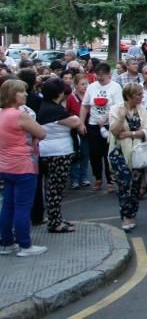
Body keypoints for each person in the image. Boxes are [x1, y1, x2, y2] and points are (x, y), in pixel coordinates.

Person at [0, 79, 48, 256]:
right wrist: (34, 138)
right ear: (13, 95)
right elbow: (42, 132)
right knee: (22, 207)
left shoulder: (2, 113)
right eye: (22, 91)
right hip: (23, 164)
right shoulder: (20, 115)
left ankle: (6, 243)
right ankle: (25, 245)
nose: (26, 94)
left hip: (5, 165)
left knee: (8, 205)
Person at [37, 77, 84, 233]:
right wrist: (76, 119)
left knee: (51, 187)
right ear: (58, 93)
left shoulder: (44, 106)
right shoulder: (55, 110)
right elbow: (75, 121)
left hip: (46, 151)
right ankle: (55, 222)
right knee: (56, 189)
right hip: (58, 153)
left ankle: (55, 217)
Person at [108, 83, 147, 231]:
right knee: (124, 183)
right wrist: (121, 117)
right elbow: (114, 131)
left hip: (137, 152)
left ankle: (132, 213)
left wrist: (129, 134)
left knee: (136, 184)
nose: (141, 97)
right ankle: (125, 216)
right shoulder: (115, 109)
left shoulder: (142, 110)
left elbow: (146, 130)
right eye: (138, 94)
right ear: (129, 96)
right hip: (119, 152)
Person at [80, 62, 124, 192]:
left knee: (108, 153)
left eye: (102, 76)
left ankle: (110, 180)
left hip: (109, 124)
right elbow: (85, 105)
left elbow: (119, 107)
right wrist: (81, 122)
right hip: (93, 123)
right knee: (94, 153)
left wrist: (107, 118)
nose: (99, 78)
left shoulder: (115, 87)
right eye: (97, 75)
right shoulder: (92, 87)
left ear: (109, 75)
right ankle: (97, 177)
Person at [67, 72, 92, 188]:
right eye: (82, 84)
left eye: (86, 84)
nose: (85, 86)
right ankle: (74, 179)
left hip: (88, 127)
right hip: (75, 129)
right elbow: (67, 113)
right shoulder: (71, 98)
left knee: (86, 153)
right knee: (76, 154)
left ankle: (84, 177)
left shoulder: (90, 96)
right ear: (76, 85)